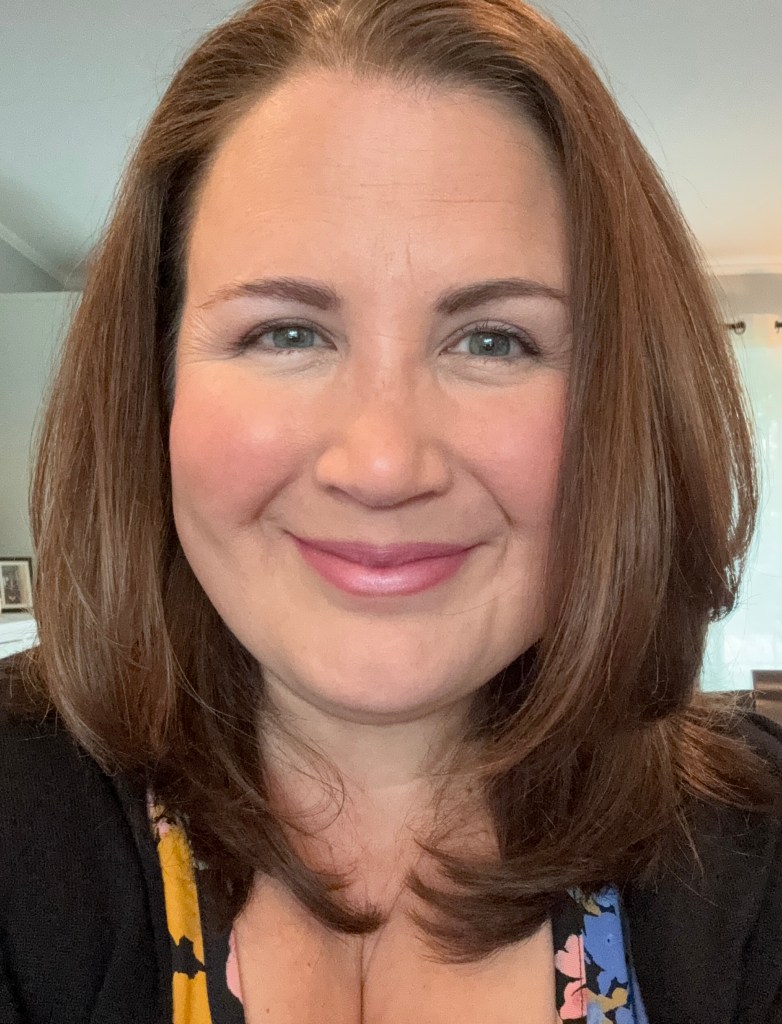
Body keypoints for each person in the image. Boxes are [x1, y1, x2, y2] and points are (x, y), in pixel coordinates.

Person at [1, 0, 781, 1021]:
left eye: (493, 340)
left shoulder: (754, 846)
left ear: (618, 408)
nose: (380, 463)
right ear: (153, 389)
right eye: (284, 332)